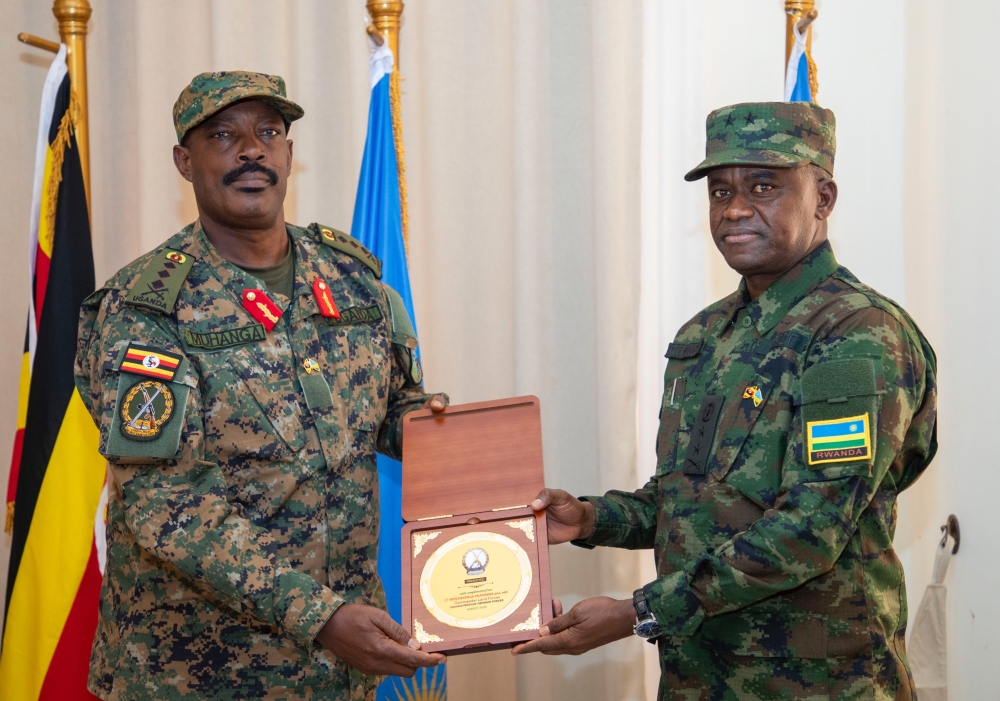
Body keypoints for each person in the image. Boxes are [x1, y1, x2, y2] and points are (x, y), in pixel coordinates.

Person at [514, 102, 937, 700]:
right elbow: (689, 499)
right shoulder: (704, 334)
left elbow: (810, 528)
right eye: (719, 192)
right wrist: (590, 518)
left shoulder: (856, 334)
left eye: (763, 186)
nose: (734, 209)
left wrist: (638, 610)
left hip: (817, 683)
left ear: (823, 198)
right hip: (699, 676)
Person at [75, 71, 446, 700]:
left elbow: (391, 411)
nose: (251, 150)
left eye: (268, 132)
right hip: (195, 672)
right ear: (184, 162)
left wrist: (467, 447)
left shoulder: (352, 277)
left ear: (289, 155)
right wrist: (319, 616)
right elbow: (165, 505)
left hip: (339, 669)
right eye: (224, 135)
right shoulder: (146, 309)